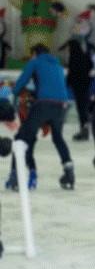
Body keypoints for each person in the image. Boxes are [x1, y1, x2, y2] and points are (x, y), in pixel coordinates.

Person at [5, 44, 75, 191]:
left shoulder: (35, 62)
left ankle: (15, 175)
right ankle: (69, 171)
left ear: (35, 53)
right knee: (58, 138)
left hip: (44, 105)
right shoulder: (57, 66)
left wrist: (13, 94)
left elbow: (23, 80)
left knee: (21, 137)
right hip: (61, 105)